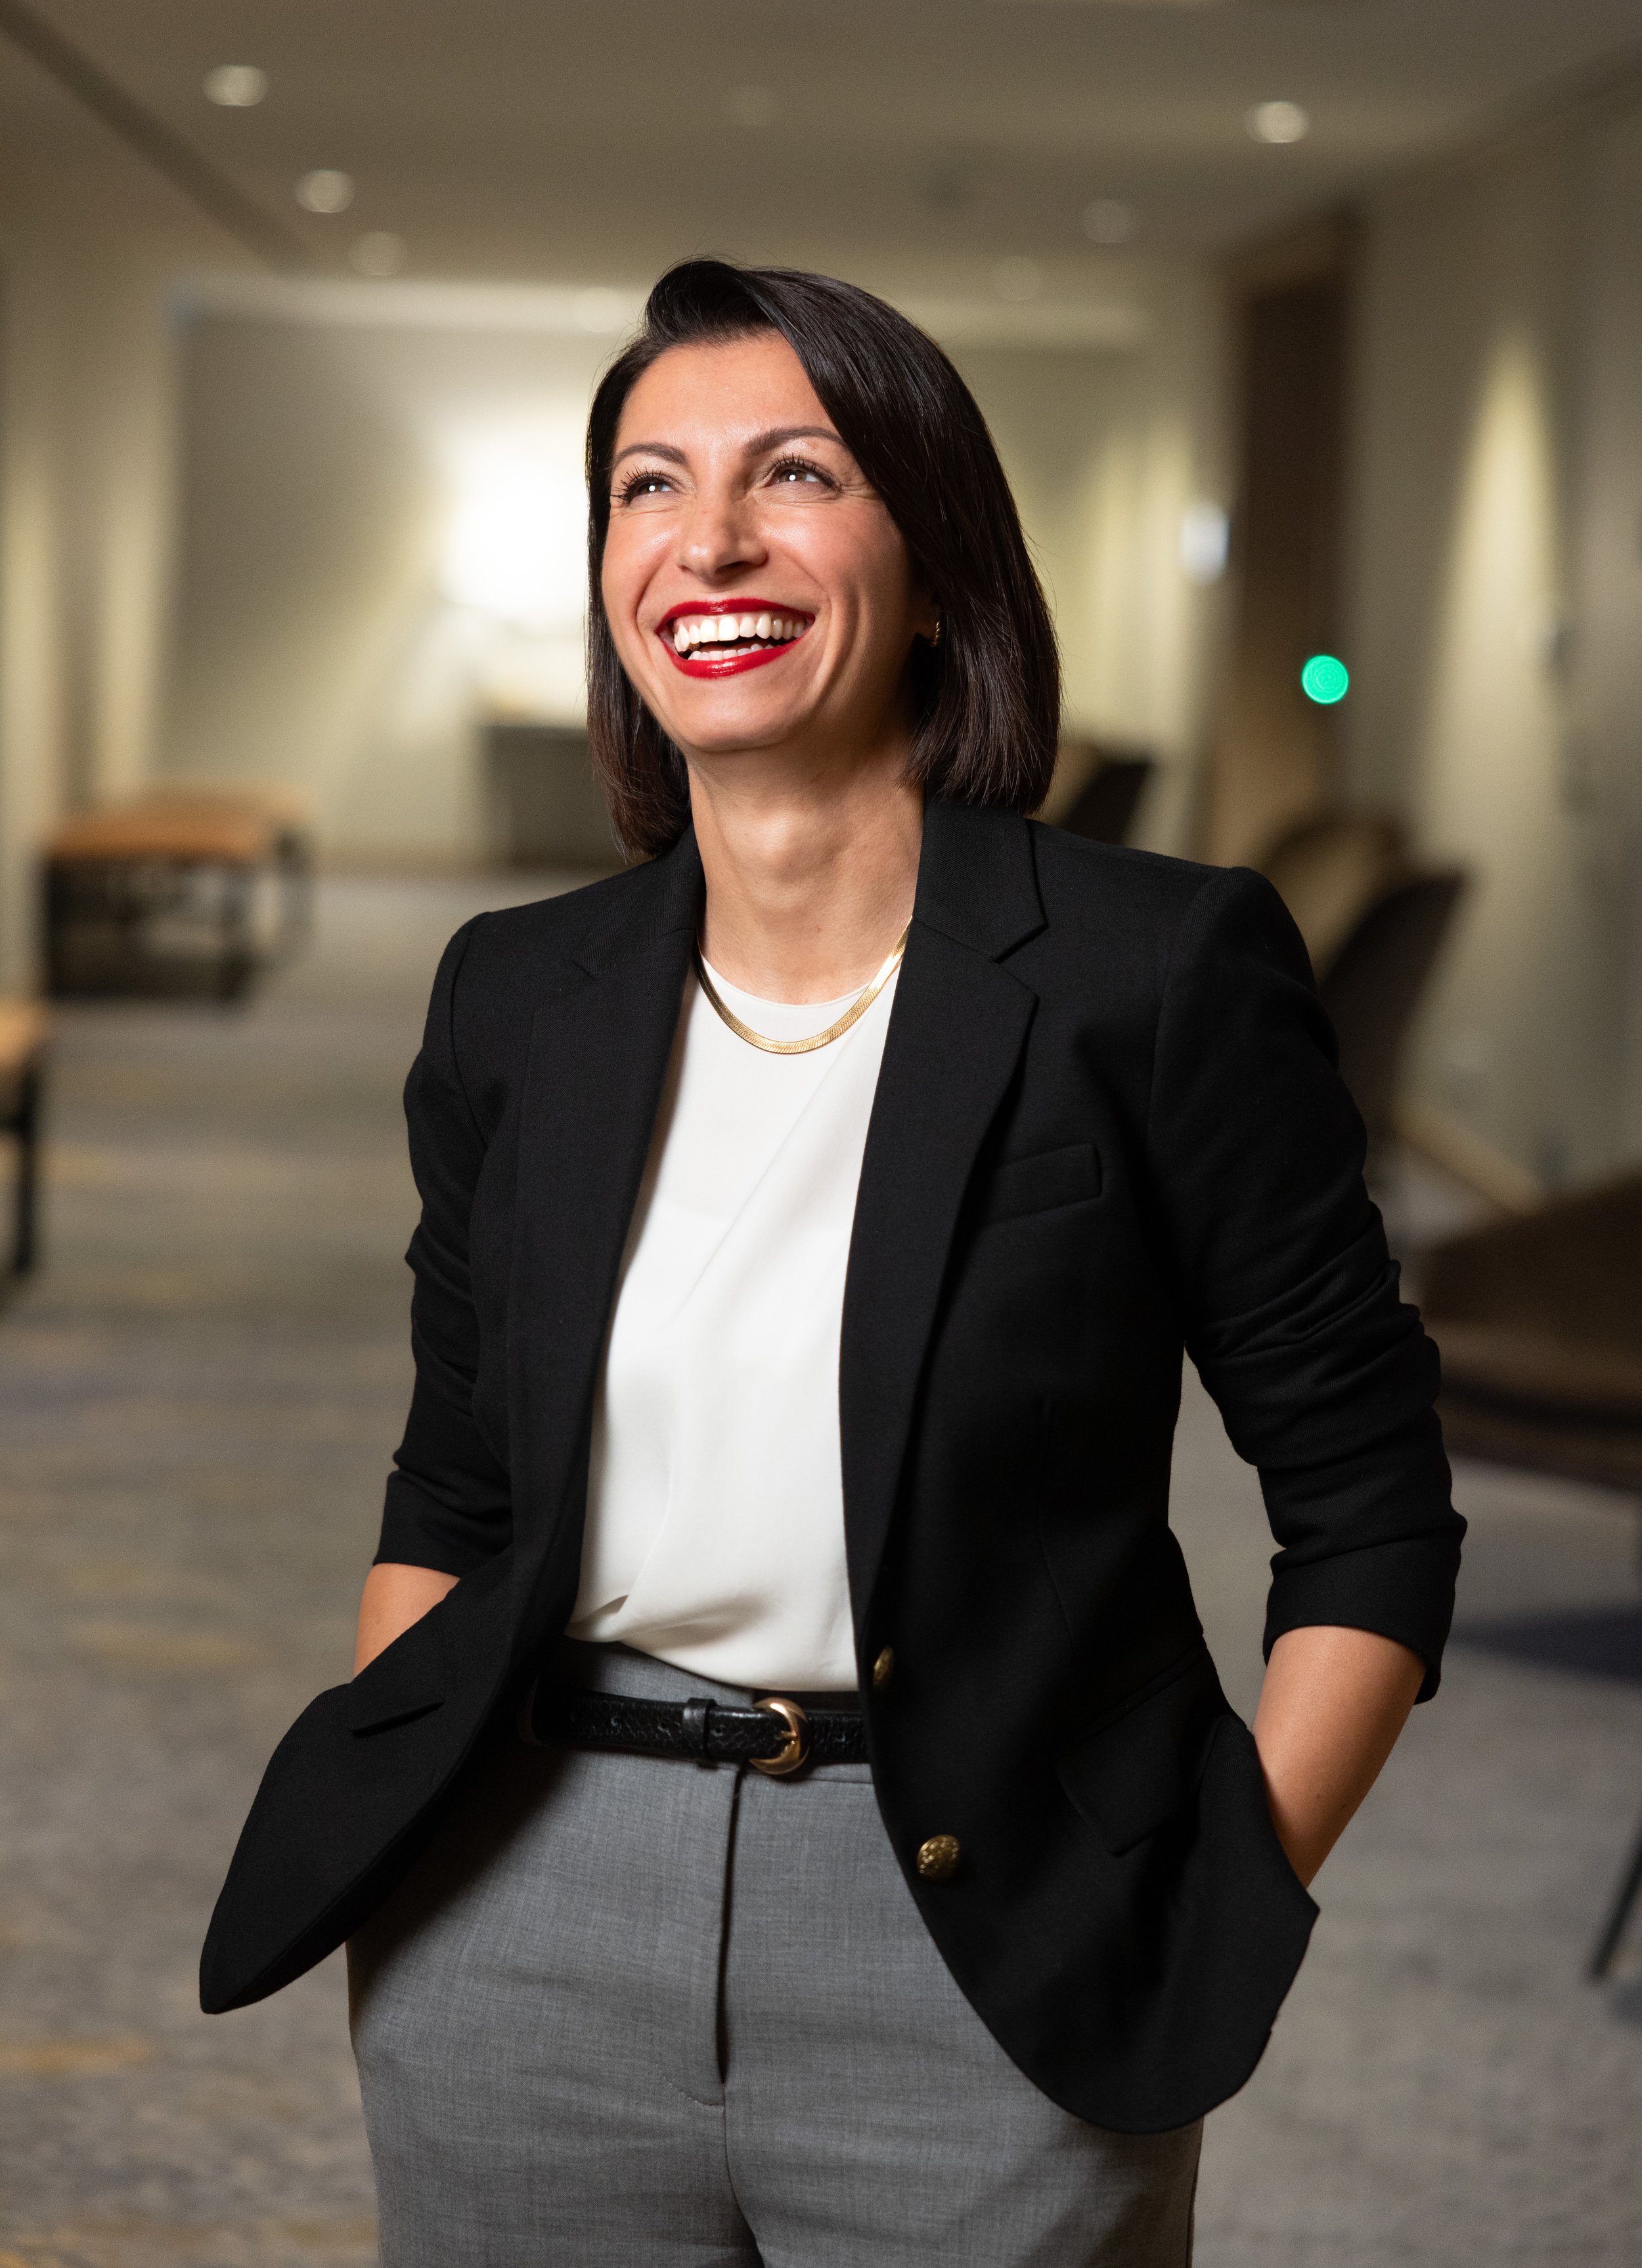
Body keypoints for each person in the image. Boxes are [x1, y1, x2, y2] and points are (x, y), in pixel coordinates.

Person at [202, 259, 1464, 2266]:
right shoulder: (517, 994)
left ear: (939, 557)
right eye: (646, 485)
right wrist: (418, 1823)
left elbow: (1368, 1505)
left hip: (980, 1929)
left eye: (793, 474)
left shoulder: (1148, 971)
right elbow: (455, 1481)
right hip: (522, 1907)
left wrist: (1221, 1891)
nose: (706, 538)